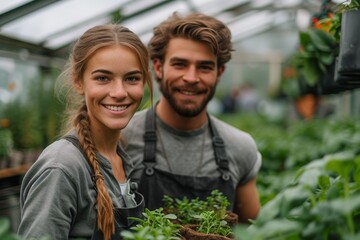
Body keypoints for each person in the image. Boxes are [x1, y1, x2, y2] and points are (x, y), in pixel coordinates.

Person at [122, 12, 262, 224]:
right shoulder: (122, 139)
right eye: (180, 64)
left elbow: (251, 228)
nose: (191, 78)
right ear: (159, 68)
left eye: (204, 67)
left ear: (219, 72)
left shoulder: (239, 147)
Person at [17, 24, 152, 240]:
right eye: (102, 78)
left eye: (132, 78)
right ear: (78, 82)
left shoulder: (122, 157)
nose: (119, 92)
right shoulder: (62, 168)